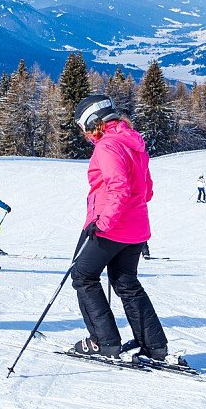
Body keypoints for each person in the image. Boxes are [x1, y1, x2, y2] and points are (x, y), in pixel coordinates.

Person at [68, 94, 168, 361]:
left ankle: (104, 341)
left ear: (92, 122)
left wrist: (103, 223)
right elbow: (146, 191)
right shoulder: (134, 142)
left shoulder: (107, 146)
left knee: (83, 276)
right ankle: (154, 346)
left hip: (111, 226)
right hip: (135, 228)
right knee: (125, 281)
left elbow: (119, 187)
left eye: (84, 127)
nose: (86, 134)